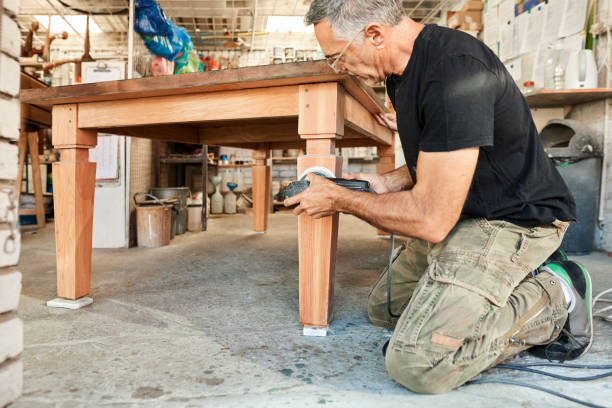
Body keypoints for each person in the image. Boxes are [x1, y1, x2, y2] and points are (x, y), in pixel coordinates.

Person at [283, 0, 593, 394]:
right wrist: (387, 184)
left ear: (375, 34)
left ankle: (555, 294)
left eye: (337, 57)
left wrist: (339, 199)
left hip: (516, 217)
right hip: (465, 207)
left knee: (420, 363)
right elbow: (442, 156)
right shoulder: (401, 71)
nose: (338, 68)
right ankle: (498, 286)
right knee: (386, 311)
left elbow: (431, 220)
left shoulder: (454, 73)